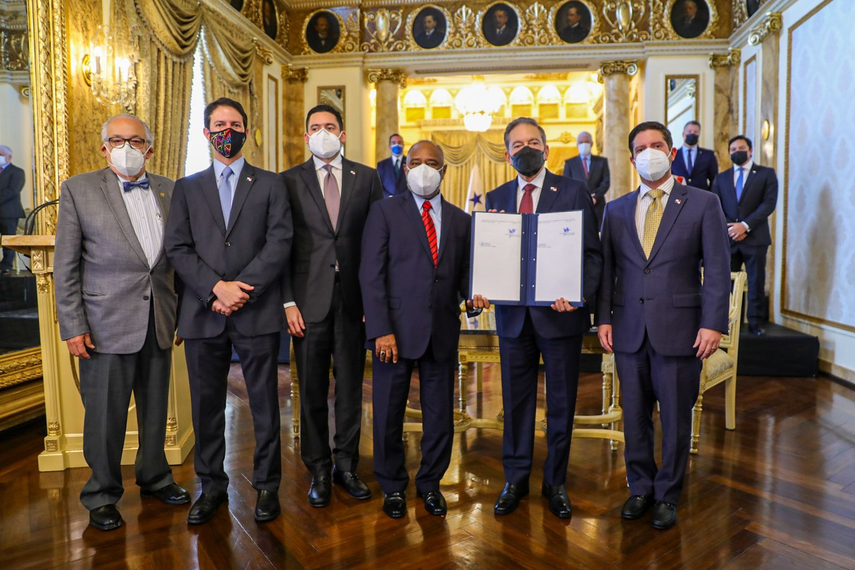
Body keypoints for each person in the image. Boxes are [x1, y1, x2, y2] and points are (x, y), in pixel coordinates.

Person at [54, 114, 190, 532]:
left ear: (150, 148)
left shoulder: (171, 189)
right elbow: (66, 265)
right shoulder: (78, 189)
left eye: (135, 141)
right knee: (105, 417)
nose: (127, 147)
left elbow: (182, 259)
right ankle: (101, 494)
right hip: (103, 322)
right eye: (117, 140)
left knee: (155, 409)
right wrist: (73, 325)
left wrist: (183, 314)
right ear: (104, 147)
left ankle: (155, 477)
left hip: (159, 319)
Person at [597, 121, 730, 530]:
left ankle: (668, 493)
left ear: (671, 153)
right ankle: (640, 488)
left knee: (675, 417)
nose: (649, 152)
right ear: (631, 157)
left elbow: (718, 269)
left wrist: (713, 324)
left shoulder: (703, 202)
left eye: (657, 145)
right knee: (634, 415)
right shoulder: (616, 209)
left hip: (682, 330)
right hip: (629, 330)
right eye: (641, 147)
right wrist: (602, 317)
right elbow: (607, 270)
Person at [165, 98, 292, 525]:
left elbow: (279, 243)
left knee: (264, 406)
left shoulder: (272, 184)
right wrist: (214, 288)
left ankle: (267, 487)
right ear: (205, 132)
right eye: (219, 124)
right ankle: (211, 486)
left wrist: (241, 291)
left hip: (256, 313)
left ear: (246, 131)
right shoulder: (186, 187)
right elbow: (178, 247)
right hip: (203, 313)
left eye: (235, 124)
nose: (228, 130)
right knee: (206, 407)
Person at [360, 140, 487, 519]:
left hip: (442, 331)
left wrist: (475, 295)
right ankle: (393, 486)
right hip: (393, 334)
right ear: (405, 169)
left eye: (432, 163)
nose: (424, 168)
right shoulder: (383, 212)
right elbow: (371, 274)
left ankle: (430, 483)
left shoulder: (462, 220)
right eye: (416, 162)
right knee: (387, 413)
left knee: (439, 415)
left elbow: (464, 274)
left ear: (445, 170)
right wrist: (381, 329)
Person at [483, 118, 602, 519]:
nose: (525, 149)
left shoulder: (573, 190)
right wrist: (481, 284)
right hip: (513, 319)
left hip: (560, 316)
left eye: (533, 142)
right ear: (507, 153)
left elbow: (591, 254)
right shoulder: (496, 196)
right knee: (515, 403)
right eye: (517, 144)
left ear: (547, 150)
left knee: (561, 402)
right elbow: (488, 254)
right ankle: (514, 479)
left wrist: (581, 294)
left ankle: (555, 482)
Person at [281, 104, 383, 508]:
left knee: (351, 390)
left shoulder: (368, 178)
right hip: (306, 303)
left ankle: (347, 466)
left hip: (354, 302)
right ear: (306, 137)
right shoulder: (288, 181)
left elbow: (377, 244)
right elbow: (281, 247)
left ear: (343, 134)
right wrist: (287, 300)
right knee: (311, 391)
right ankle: (318, 470)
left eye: (331, 126)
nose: (323, 132)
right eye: (315, 127)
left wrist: (373, 302)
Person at [711, 135, 778, 336]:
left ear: (750, 151)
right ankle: (729, 324)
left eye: (740, 148)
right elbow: (714, 206)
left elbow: (769, 203)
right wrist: (732, 228)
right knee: (727, 283)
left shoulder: (766, 174)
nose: (736, 152)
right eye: (732, 149)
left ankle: (755, 324)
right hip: (728, 238)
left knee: (756, 282)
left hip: (755, 238)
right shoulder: (721, 178)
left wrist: (745, 226)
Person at [563, 131, 610, 227]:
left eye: (586, 142)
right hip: (577, 206)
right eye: (581, 142)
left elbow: (606, 182)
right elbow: (567, 183)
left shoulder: (601, 162)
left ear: (591, 144)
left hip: (598, 207)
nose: (584, 144)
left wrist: (595, 196)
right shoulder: (570, 163)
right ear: (577, 145)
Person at [670, 120, 718, 191]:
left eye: (695, 132)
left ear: (699, 134)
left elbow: (714, 179)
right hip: (678, 194)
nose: (692, 133)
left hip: (702, 196)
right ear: (683, 134)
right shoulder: (674, 154)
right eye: (689, 131)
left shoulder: (708, 155)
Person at [0, 144, 25, 275]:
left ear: (9, 157)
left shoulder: (17, 172)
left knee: (8, 240)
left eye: (1, 155)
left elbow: (13, 191)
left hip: (8, 212)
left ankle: (6, 266)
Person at [376, 134, 407, 198]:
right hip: (388, 202)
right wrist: (388, 196)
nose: (397, 145)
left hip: (407, 201)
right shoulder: (382, 165)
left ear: (403, 145)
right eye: (394, 143)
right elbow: (378, 185)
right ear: (390, 146)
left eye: (399, 142)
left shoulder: (410, 163)